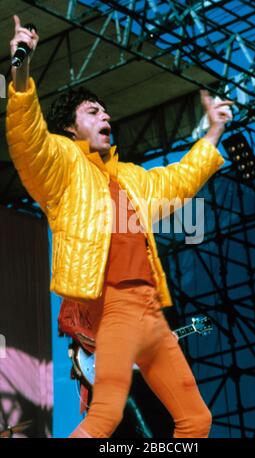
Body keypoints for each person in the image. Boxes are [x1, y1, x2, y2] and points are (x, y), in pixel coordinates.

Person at [6, 15, 233, 438]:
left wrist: (214, 131)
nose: (105, 115)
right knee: (105, 417)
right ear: (72, 128)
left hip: (148, 307)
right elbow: (28, 137)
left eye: (106, 111)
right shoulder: (64, 165)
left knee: (196, 420)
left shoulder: (132, 178)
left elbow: (180, 179)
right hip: (107, 303)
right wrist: (21, 64)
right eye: (93, 112)